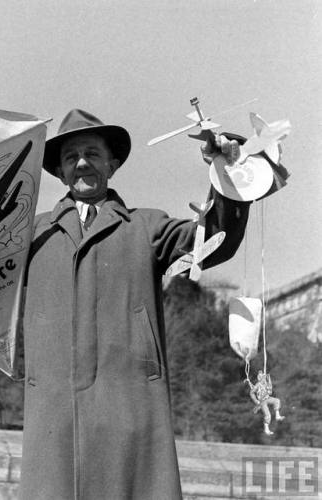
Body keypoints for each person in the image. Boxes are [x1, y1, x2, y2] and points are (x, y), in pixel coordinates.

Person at [20, 109, 250, 500]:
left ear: (112, 164)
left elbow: (214, 240)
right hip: (52, 408)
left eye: (92, 153)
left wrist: (225, 172)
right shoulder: (30, 234)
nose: (81, 164)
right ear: (59, 172)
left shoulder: (147, 227)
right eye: (70, 157)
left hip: (130, 402)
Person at [249, 370, 285, 435]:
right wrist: (256, 400)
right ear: (259, 378)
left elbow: (270, 392)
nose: (263, 378)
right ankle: (266, 429)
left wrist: (269, 381)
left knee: (277, 401)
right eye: (262, 377)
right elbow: (251, 393)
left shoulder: (265, 383)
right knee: (268, 415)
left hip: (267, 398)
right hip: (262, 401)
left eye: (263, 377)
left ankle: (277, 415)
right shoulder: (257, 385)